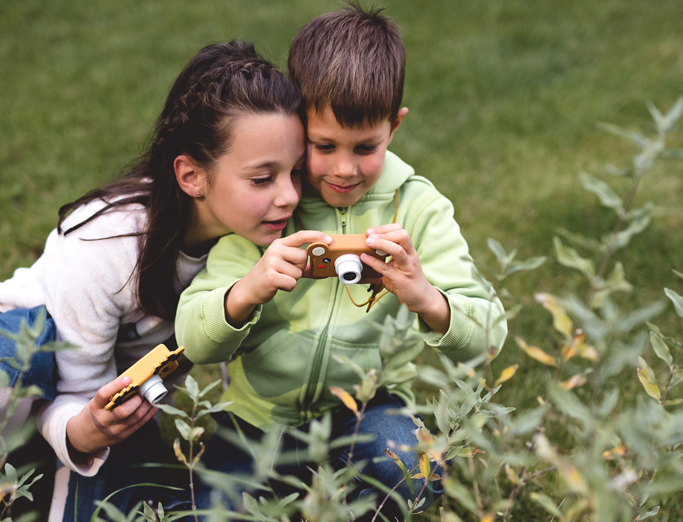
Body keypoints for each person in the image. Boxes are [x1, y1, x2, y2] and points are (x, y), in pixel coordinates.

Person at [0, 40, 311, 522]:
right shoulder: (109, 242)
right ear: (192, 176)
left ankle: (34, 474)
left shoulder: (249, 242)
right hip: (1, 381)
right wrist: (81, 432)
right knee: (15, 354)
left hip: (107, 402)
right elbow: (73, 385)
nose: (289, 197)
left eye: (295, 172)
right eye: (263, 179)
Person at [175, 5, 507, 516]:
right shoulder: (274, 206)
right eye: (322, 145)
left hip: (366, 409)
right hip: (256, 419)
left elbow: (489, 336)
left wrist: (426, 298)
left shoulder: (418, 208)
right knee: (207, 509)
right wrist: (250, 287)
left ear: (394, 127)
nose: (344, 169)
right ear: (295, 126)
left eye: (365, 146)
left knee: (412, 470)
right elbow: (193, 340)